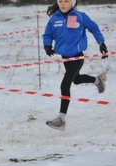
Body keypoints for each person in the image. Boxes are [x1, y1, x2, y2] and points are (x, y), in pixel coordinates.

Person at [43, 0, 108, 131]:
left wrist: (101, 43)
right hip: (65, 58)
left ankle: (61, 120)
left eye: (66, 1)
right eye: (60, 1)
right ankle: (97, 80)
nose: (63, 4)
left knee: (65, 85)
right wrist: (47, 45)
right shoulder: (54, 18)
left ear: (72, 3)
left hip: (77, 57)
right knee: (76, 80)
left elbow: (94, 28)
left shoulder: (80, 16)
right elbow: (47, 34)